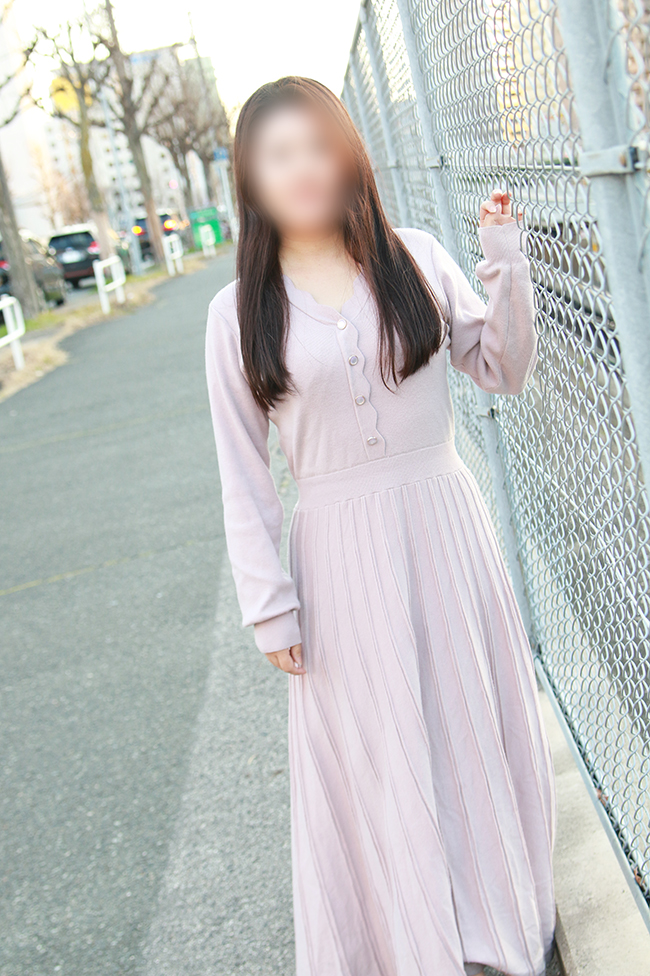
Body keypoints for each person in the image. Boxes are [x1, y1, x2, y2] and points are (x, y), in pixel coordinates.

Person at [205, 76, 556, 976]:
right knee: (379, 754)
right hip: (335, 553)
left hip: (443, 525)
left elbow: (504, 368)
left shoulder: (417, 257)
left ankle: (489, 931)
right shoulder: (236, 312)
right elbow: (243, 472)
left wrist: (504, 259)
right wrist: (269, 605)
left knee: (466, 727)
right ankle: (409, 947)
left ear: (349, 156)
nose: (303, 169)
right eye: (279, 155)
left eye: (319, 147)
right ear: (251, 178)